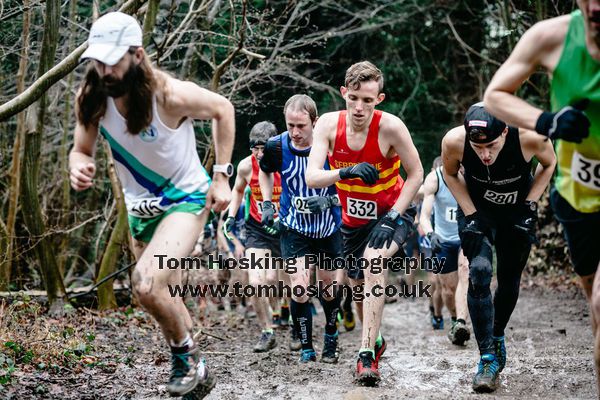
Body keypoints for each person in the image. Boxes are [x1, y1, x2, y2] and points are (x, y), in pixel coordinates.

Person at [69, 12, 234, 399]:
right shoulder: (92, 96)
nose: (105, 70)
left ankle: (186, 358)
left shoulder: (169, 95)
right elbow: (80, 150)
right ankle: (198, 369)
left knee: (144, 284)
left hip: (186, 198)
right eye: (98, 60)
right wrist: (79, 167)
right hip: (139, 206)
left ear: (137, 55)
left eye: (113, 61)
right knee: (164, 296)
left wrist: (222, 176)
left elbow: (223, 108)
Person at [483, 2, 600, 393]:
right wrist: (547, 121)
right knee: (596, 309)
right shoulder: (551, 37)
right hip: (579, 198)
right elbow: (496, 94)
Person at [306, 61, 423, 385]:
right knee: (356, 288)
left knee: (374, 263)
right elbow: (312, 176)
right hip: (352, 221)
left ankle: (365, 356)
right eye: (353, 98)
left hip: (391, 212)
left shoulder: (392, 128)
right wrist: (345, 171)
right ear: (344, 93)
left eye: (367, 100)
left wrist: (394, 215)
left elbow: (416, 174)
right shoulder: (329, 125)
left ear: (379, 99)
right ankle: (375, 339)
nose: (359, 107)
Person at [441, 103, 556, 392]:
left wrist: (531, 204)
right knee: (479, 272)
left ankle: (498, 333)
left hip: (515, 213)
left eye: (491, 145)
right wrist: (470, 213)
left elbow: (549, 163)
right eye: (478, 148)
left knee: (508, 278)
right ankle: (487, 358)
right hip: (479, 212)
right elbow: (450, 173)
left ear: (505, 130)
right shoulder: (454, 141)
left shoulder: (530, 136)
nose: (485, 154)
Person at [259, 94, 343, 363]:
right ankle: (306, 346)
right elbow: (265, 171)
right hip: (294, 226)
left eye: (301, 126)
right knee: (299, 287)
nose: (295, 132)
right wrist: (268, 203)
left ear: (314, 122)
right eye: (290, 125)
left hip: (328, 227)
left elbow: (349, 182)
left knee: (328, 288)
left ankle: (331, 334)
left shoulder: (330, 145)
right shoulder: (276, 146)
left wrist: (330, 199)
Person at [224, 121, 283, 352]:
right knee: (257, 282)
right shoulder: (246, 166)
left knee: (278, 282)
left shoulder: (285, 163)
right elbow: (238, 190)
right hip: (257, 228)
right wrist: (230, 215)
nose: (259, 154)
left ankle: (290, 316)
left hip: (284, 228)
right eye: (254, 149)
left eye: (264, 149)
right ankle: (267, 331)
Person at [420, 156, 470, 344]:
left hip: (466, 237)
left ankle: (461, 320)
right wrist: (431, 233)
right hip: (444, 240)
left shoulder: (473, 176)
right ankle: (456, 320)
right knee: (448, 289)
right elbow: (425, 215)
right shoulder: (435, 178)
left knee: (465, 274)